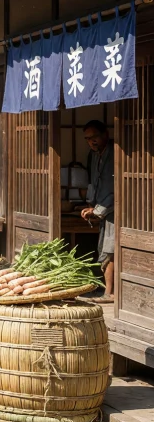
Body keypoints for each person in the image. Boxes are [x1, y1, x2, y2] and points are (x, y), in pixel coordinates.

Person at [81, 120, 115, 302]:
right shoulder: (93, 155)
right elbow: (93, 182)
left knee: (110, 250)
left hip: (116, 208)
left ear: (105, 134)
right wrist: (91, 204)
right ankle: (109, 291)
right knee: (105, 247)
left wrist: (97, 209)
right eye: (87, 139)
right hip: (101, 207)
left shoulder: (116, 152)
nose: (91, 141)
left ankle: (110, 293)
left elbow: (119, 188)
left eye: (94, 137)